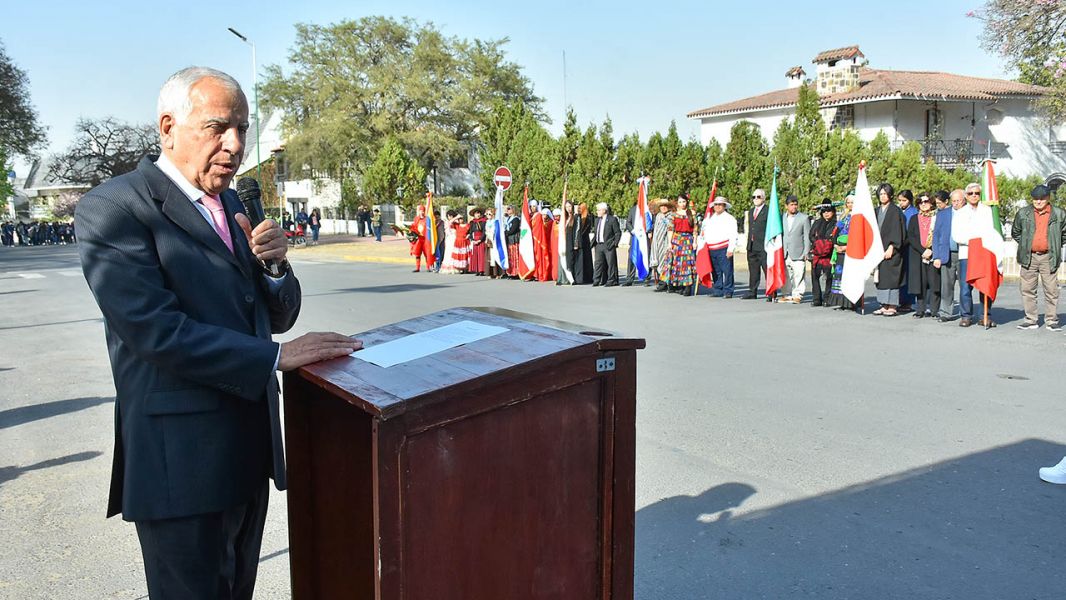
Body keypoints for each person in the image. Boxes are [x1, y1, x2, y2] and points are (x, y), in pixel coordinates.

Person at [74, 66, 358, 600]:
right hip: (179, 462)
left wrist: (275, 269)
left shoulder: (232, 204)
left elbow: (272, 315)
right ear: (168, 127)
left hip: (247, 453)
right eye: (218, 127)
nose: (235, 145)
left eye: (243, 129)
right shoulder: (115, 208)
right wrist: (275, 359)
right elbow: (155, 332)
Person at [1012, 184, 1066, 330]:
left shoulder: (1059, 214)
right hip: (1029, 256)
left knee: (1051, 290)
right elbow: (1016, 232)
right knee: (1027, 289)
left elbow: (1064, 234)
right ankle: (1031, 319)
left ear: (1048, 198)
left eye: (1042, 199)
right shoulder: (1023, 213)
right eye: (1036, 199)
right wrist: (1026, 245)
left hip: (1049, 257)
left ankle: (1051, 320)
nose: (1039, 202)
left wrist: (1054, 245)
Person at [952, 182, 996, 328]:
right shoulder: (960, 213)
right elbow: (957, 235)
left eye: (976, 193)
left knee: (984, 286)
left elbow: (990, 231)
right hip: (967, 253)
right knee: (965, 287)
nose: (974, 196)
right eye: (970, 193)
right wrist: (974, 240)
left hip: (983, 253)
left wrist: (980, 240)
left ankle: (985, 315)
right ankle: (966, 316)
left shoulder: (987, 210)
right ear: (966, 195)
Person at [872, 183, 906, 316]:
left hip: (891, 249)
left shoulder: (895, 211)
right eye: (880, 194)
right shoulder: (875, 211)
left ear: (890, 195)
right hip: (877, 249)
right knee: (880, 277)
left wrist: (893, 246)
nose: (882, 196)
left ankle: (892, 305)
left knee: (892, 277)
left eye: (885, 194)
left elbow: (898, 231)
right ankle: (883, 304)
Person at [906, 193, 941, 318]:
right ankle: (920, 309)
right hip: (918, 254)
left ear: (931, 203)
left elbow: (939, 235)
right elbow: (911, 236)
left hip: (933, 253)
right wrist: (923, 250)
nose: (924, 204)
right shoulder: (914, 218)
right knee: (919, 283)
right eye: (921, 202)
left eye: (926, 201)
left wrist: (931, 250)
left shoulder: (936, 217)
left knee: (934, 282)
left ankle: (934, 310)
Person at [698, 196, 738, 298]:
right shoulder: (709, 219)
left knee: (727, 271)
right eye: (716, 204)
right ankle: (718, 289)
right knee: (716, 271)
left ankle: (728, 290)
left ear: (724, 206)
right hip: (711, 248)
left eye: (720, 204)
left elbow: (733, 234)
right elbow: (705, 233)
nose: (717, 206)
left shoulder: (730, 218)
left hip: (723, 247)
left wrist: (731, 248)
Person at [656, 194, 696, 294]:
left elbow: (695, 230)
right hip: (677, 240)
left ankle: (688, 286)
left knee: (687, 264)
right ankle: (679, 284)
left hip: (688, 240)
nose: (682, 204)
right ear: (677, 203)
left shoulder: (692, 213)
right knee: (677, 263)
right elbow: (670, 229)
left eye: (683, 201)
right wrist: (669, 243)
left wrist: (695, 242)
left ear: (686, 202)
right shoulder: (674, 215)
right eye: (680, 202)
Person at [932, 190, 962, 322]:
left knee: (965, 286)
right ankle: (945, 312)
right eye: (954, 201)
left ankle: (966, 313)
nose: (956, 203)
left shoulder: (968, 213)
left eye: (958, 201)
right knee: (946, 285)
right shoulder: (943, 214)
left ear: (963, 200)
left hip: (964, 254)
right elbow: (936, 235)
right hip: (947, 253)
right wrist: (936, 256)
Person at [781, 195, 810, 304]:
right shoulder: (781, 217)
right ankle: (786, 294)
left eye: (795, 204)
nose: (794, 207)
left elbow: (807, 236)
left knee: (799, 274)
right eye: (791, 205)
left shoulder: (804, 218)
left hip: (799, 251)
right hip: (785, 251)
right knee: (786, 274)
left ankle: (798, 294)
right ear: (786, 206)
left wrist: (806, 251)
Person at [809, 202, 837, 307]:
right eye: (824, 211)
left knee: (829, 277)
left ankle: (827, 298)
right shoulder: (817, 222)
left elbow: (834, 237)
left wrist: (827, 244)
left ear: (833, 212)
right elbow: (811, 235)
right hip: (817, 253)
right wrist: (818, 244)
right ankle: (816, 299)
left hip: (829, 254)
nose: (826, 213)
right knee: (814, 277)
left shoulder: (836, 223)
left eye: (828, 211)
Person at [744, 188, 768, 299]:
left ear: (763, 198)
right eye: (754, 197)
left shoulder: (768, 211)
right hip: (752, 245)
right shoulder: (750, 211)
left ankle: (771, 292)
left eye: (758, 197)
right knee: (753, 270)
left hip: (763, 246)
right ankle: (752, 291)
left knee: (767, 269)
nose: (756, 199)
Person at [897, 189, 918, 311]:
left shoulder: (914, 212)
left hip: (909, 246)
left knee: (909, 274)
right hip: (899, 246)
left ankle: (908, 301)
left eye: (904, 200)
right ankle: (901, 299)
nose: (901, 203)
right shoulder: (898, 211)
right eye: (899, 200)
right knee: (901, 273)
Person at [592, 202, 621, 286]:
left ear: (604, 210)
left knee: (611, 263)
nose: (597, 212)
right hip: (599, 245)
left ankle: (612, 280)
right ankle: (596, 279)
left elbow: (617, 233)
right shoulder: (597, 220)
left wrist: (615, 243)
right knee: (598, 263)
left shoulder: (612, 219)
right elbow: (596, 233)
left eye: (598, 210)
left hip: (608, 244)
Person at [650, 199, 673, 286]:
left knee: (664, 262)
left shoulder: (670, 216)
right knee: (658, 260)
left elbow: (670, 228)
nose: (663, 208)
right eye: (661, 206)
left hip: (665, 242)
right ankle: (660, 280)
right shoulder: (658, 216)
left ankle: (664, 282)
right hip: (657, 242)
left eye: (665, 206)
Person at [572, 202, 594, 284]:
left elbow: (585, 230)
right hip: (580, 239)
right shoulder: (578, 217)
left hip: (584, 240)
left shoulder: (588, 217)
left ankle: (587, 277)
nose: (579, 210)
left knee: (586, 259)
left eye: (580, 208)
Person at [409, 204, 434, 272]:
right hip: (418, 239)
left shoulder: (427, 219)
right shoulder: (416, 218)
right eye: (420, 211)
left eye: (423, 211)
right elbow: (413, 226)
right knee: (417, 253)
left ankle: (428, 267)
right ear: (419, 211)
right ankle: (417, 268)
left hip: (425, 239)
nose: (421, 212)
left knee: (427, 254)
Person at [467, 207, 487, 276]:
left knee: (481, 255)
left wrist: (480, 240)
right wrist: (472, 240)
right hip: (474, 239)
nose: (478, 215)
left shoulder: (483, 221)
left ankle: (482, 270)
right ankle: (476, 270)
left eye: (479, 213)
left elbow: (484, 232)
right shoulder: (472, 222)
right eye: (476, 213)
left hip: (481, 239)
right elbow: (470, 232)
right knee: (475, 255)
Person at [503, 205, 521, 279]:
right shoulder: (507, 219)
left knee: (514, 256)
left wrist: (505, 233)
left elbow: (513, 230)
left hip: (514, 239)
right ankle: (510, 272)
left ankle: (516, 273)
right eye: (507, 209)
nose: (507, 210)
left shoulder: (516, 219)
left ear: (513, 210)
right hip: (508, 239)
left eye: (509, 209)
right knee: (510, 257)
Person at [485, 207, 503, 279]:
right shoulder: (487, 222)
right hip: (489, 239)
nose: (488, 215)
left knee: (495, 256)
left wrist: (492, 236)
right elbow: (486, 231)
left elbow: (496, 231)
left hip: (494, 240)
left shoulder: (496, 222)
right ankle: (490, 273)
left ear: (493, 214)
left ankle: (498, 273)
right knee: (489, 256)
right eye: (487, 214)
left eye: (490, 214)